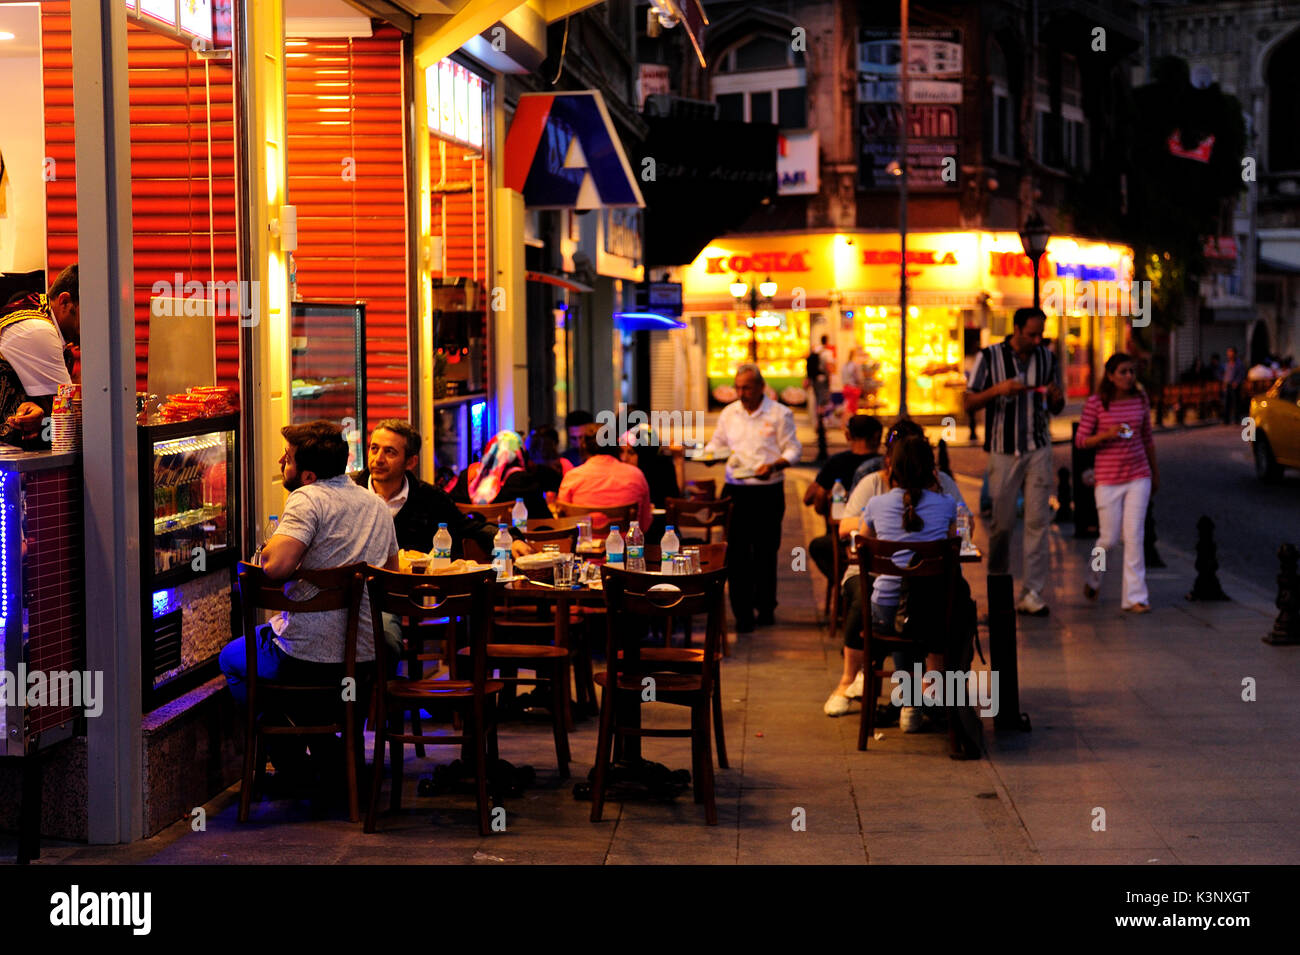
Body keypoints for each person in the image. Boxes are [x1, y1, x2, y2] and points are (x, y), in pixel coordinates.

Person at [219, 421, 399, 777]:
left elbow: (275, 566)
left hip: (306, 657)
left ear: (307, 474)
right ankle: (325, 749)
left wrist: (265, 552)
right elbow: (390, 575)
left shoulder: (307, 498)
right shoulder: (376, 504)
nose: (279, 462)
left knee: (232, 659)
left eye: (287, 459)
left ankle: (288, 754)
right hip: (363, 655)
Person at [824, 420, 968, 717]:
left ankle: (901, 694)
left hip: (883, 616)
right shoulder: (944, 504)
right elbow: (959, 537)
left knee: (883, 597)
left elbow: (864, 540)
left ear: (892, 465)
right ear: (930, 468)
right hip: (932, 614)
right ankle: (928, 691)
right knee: (944, 601)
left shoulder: (877, 505)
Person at [962, 306, 1064, 616]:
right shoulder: (990, 357)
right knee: (1002, 524)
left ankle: (1032, 592)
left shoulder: (1047, 358)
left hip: (1038, 447)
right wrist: (998, 390)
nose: (1037, 340)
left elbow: (1056, 406)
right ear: (1016, 329)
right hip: (1003, 449)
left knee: (1037, 521)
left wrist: (1057, 399)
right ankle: (999, 589)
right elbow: (967, 402)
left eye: (1040, 334)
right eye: (1031, 334)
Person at [703, 363, 802, 632]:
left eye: (746, 387)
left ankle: (766, 607)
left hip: (767, 491)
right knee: (736, 554)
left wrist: (775, 465)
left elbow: (793, 449)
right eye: (738, 387)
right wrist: (708, 454)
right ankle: (742, 613)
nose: (741, 392)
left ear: (760, 387)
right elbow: (718, 443)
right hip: (736, 490)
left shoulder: (780, 414)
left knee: (766, 552)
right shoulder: (729, 413)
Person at [353, 419, 519, 559]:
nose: (378, 459)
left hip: (411, 592)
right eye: (374, 449)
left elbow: (470, 527)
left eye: (389, 452)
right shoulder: (350, 491)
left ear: (411, 462)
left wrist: (512, 538)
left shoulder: (430, 498)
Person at [1075, 354, 1159, 613]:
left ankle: (1135, 597)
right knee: (1109, 539)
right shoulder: (1097, 403)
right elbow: (1081, 440)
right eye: (1122, 372)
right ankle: (1093, 577)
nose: (1128, 376)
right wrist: (1106, 435)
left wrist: (1155, 473)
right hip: (1108, 479)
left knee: (1134, 536)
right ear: (1110, 375)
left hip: (1138, 474)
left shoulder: (1140, 399)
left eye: (1132, 371)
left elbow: (1147, 438)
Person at [0, 264, 80, 448]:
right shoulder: (38, 329)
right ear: (65, 301)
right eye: (91, 313)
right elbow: (69, 418)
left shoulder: (37, 310)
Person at [806, 414, 883, 581]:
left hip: (844, 540)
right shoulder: (885, 466)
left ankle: (843, 586)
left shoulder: (837, 463)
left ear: (848, 435)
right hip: (882, 539)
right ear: (878, 436)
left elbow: (808, 498)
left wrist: (825, 494)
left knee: (819, 547)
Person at [557, 422, 653, 530]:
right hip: (624, 545)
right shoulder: (636, 475)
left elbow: (562, 521)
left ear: (584, 446)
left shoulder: (572, 476)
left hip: (584, 544)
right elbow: (644, 524)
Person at [449, 430, 552, 519]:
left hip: (470, 540)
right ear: (519, 454)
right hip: (512, 540)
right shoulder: (523, 480)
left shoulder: (467, 476)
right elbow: (544, 519)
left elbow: (451, 511)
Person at [619, 423, 680, 508]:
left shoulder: (664, 467)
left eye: (631, 453)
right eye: (621, 451)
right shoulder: (620, 473)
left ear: (645, 454)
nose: (624, 458)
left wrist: (679, 459)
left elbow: (674, 500)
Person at [1221, 346, 1246, 424]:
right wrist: (1224, 383)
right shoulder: (1227, 364)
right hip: (1227, 385)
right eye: (1228, 353)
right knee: (1226, 403)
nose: (1229, 355)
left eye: (1231, 353)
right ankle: (1226, 420)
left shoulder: (1239, 364)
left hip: (1235, 386)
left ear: (1235, 354)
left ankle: (1236, 419)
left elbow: (1242, 374)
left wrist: (1237, 382)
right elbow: (1226, 374)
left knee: (1236, 403)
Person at [841, 349, 863, 416]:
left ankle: (847, 424)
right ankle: (844, 424)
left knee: (848, 407)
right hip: (853, 389)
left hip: (846, 388)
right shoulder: (855, 365)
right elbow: (859, 378)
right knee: (851, 409)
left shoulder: (845, 365)